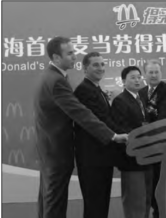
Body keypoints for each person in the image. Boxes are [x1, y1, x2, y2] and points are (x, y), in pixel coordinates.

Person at [33, 37, 128, 218]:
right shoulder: (57, 80)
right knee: (54, 203)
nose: (74, 57)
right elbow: (81, 114)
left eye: (74, 52)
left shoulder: (51, 76)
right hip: (57, 150)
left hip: (50, 150)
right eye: (69, 53)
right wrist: (112, 135)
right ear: (56, 57)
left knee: (48, 199)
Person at [74, 52, 124, 218]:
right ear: (85, 68)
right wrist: (126, 134)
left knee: (101, 203)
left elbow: (107, 117)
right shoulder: (84, 90)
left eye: (103, 64)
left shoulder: (96, 89)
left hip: (102, 156)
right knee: (95, 204)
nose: (101, 68)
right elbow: (101, 120)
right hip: (92, 157)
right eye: (96, 65)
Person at [111, 66, 153, 218]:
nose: (137, 80)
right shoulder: (120, 101)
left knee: (146, 198)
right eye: (133, 77)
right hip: (131, 159)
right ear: (123, 81)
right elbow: (121, 127)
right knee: (134, 200)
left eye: (138, 77)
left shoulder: (140, 99)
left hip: (146, 157)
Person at [139, 59, 166, 218]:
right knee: (150, 181)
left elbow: (164, 115)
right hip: (146, 146)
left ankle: (162, 211)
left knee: (163, 180)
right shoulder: (140, 92)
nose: (153, 75)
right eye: (150, 72)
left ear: (161, 73)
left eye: (156, 72)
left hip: (164, 143)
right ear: (144, 75)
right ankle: (154, 210)